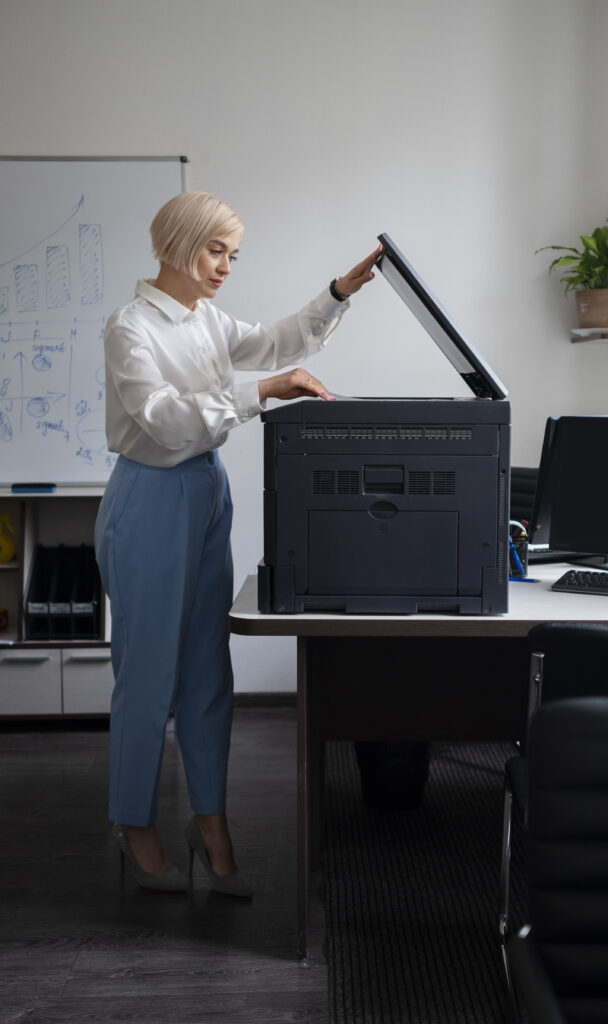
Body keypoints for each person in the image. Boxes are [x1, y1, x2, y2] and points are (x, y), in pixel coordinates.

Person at [94, 190, 380, 893]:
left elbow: (279, 343)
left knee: (207, 673)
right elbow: (164, 423)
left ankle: (210, 821)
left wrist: (340, 292)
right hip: (151, 498)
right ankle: (134, 824)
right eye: (216, 249)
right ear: (177, 243)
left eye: (233, 254)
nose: (226, 265)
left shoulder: (207, 320)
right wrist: (262, 395)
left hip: (205, 489)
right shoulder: (130, 327)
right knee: (147, 677)